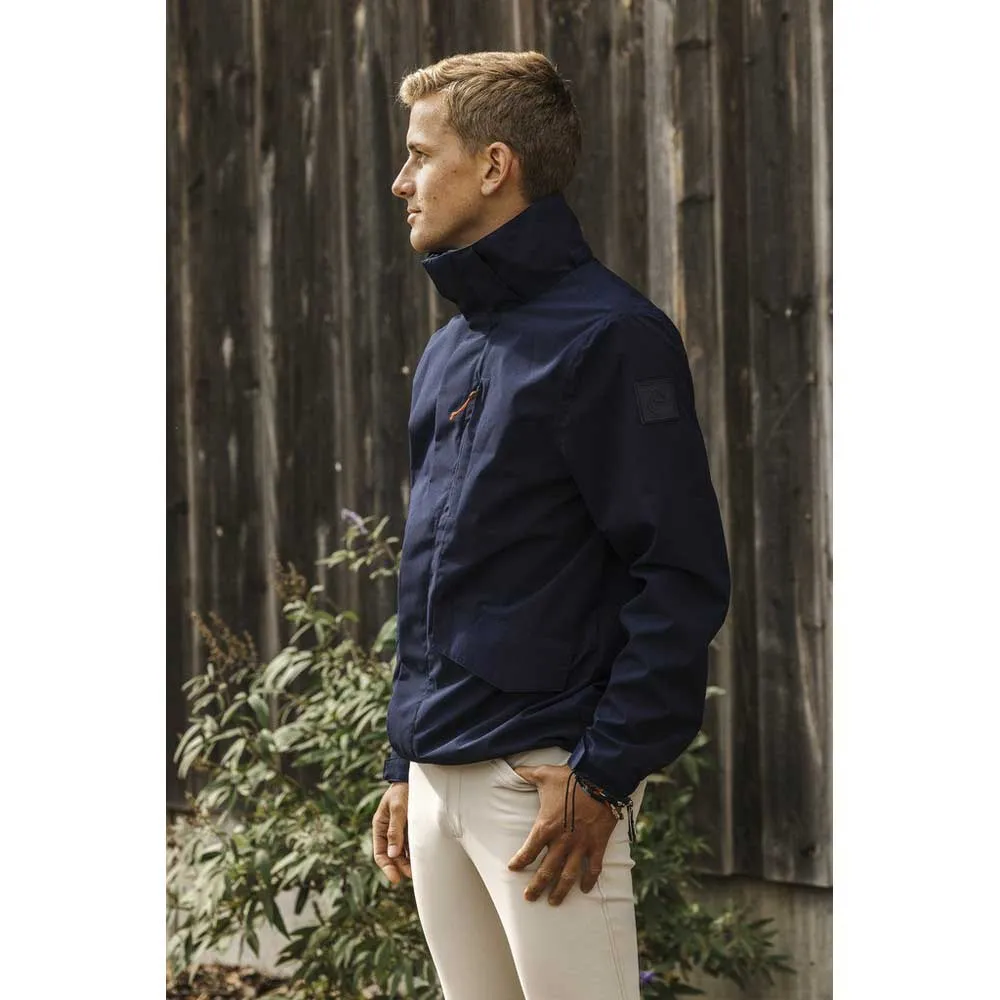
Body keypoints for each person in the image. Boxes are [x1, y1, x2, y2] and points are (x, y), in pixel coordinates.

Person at [370, 50, 731, 1000]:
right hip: (439, 779)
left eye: (421, 155)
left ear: (495, 166)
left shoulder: (612, 338)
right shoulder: (450, 351)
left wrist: (605, 773)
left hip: (540, 789)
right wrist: (405, 758)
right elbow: (437, 571)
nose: (401, 181)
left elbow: (679, 570)